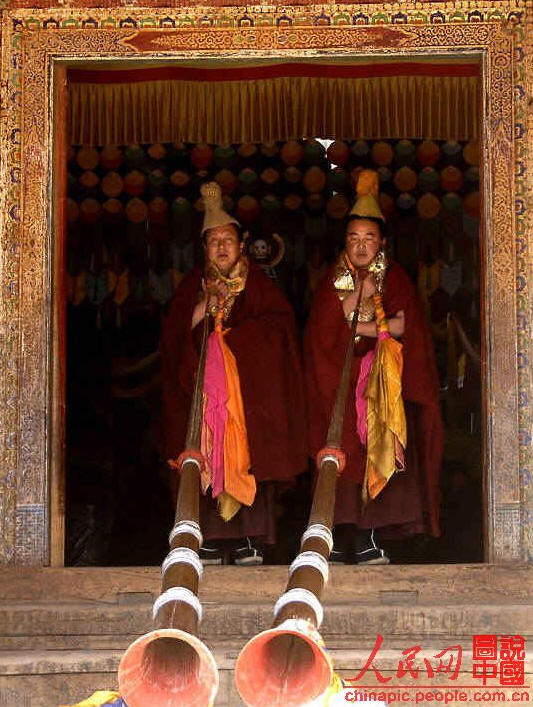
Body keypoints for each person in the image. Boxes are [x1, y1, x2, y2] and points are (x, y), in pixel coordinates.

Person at [160, 182, 307, 565]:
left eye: (228, 240)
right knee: (205, 453)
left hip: (247, 396)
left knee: (248, 457)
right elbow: (173, 336)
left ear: (242, 245)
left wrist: (235, 343)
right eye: (214, 242)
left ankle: (249, 540)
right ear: (204, 248)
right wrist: (204, 307)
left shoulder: (256, 284)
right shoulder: (194, 285)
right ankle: (206, 538)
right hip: (206, 396)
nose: (222, 247)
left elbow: (280, 327)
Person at [304, 170, 442, 564]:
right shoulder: (334, 279)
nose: (361, 246)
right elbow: (319, 331)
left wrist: (355, 326)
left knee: (374, 453)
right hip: (337, 383)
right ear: (345, 242)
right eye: (354, 238)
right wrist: (359, 296)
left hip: (379, 385)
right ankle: (331, 539)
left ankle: (368, 538)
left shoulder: (394, 277)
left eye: (369, 238)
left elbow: (403, 326)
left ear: (382, 242)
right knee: (339, 454)